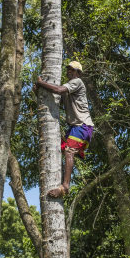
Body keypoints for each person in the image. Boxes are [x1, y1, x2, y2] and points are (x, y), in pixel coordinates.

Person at [33, 61, 94, 198]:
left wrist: (41, 83)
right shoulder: (68, 89)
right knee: (59, 147)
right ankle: (76, 156)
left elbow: (58, 90)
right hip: (74, 127)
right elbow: (54, 102)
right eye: (68, 69)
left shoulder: (77, 82)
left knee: (68, 152)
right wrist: (39, 93)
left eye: (73, 69)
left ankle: (65, 187)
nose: (69, 71)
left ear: (79, 73)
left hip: (82, 125)